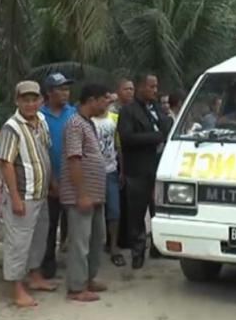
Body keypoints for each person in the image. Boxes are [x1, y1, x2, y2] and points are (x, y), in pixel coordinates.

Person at [0, 81, 58, 307]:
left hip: (40, 192)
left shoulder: (41, 121)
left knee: (39, 237)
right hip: (23, 194)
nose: (30, 104)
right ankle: (17, 288)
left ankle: (35, 276)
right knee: (18, 242)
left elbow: (45, 153)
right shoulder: (12, 127)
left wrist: (52, 182)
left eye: (34, 99)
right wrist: (14, 197)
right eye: (25, 100)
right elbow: (6, 163)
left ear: (41, 100)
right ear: (17, 101)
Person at [61, 83, 112, 302]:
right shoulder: (75, 124)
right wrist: (81, 194)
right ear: (91, 100)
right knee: (80, 242)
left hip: (95, 194)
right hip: (80, 195)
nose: (106, 104)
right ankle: (76, 287)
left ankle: (88, 278)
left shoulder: (87, 123)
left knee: (96, 239)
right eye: (103, 100)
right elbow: (74, 160)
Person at [118, 73, 170, 268]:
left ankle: (158, 246)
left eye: (156, 87)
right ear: (140, 87)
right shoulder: (128, 111)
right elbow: (127, 138)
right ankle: (137, 252)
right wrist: (155, 137)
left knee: (158, 209)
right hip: (138, 169)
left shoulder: (157, 109)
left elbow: (168, 127)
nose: (155, 91)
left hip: (158, 168)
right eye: (151, 87)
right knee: (137, 213)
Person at [39, 72, 76, 279]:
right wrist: (52, 178)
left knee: (74, 222)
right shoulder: (40, 116)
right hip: (49, 179)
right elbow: (41, 149)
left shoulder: (73, 113)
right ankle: (47, 263)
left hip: (72, 178)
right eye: (61, 89)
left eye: (67, 89)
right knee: (50, 223)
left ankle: (74, 263)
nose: (65, 93)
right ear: (49, 93)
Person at [92, 98, 123, 267]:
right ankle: (93, 247)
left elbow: (118, 145)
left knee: (114, 210)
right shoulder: (89, 121)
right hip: (93, 172)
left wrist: (122, 169)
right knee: (93, 211)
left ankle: (113, 247)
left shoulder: (113, 119)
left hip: (111, 170)